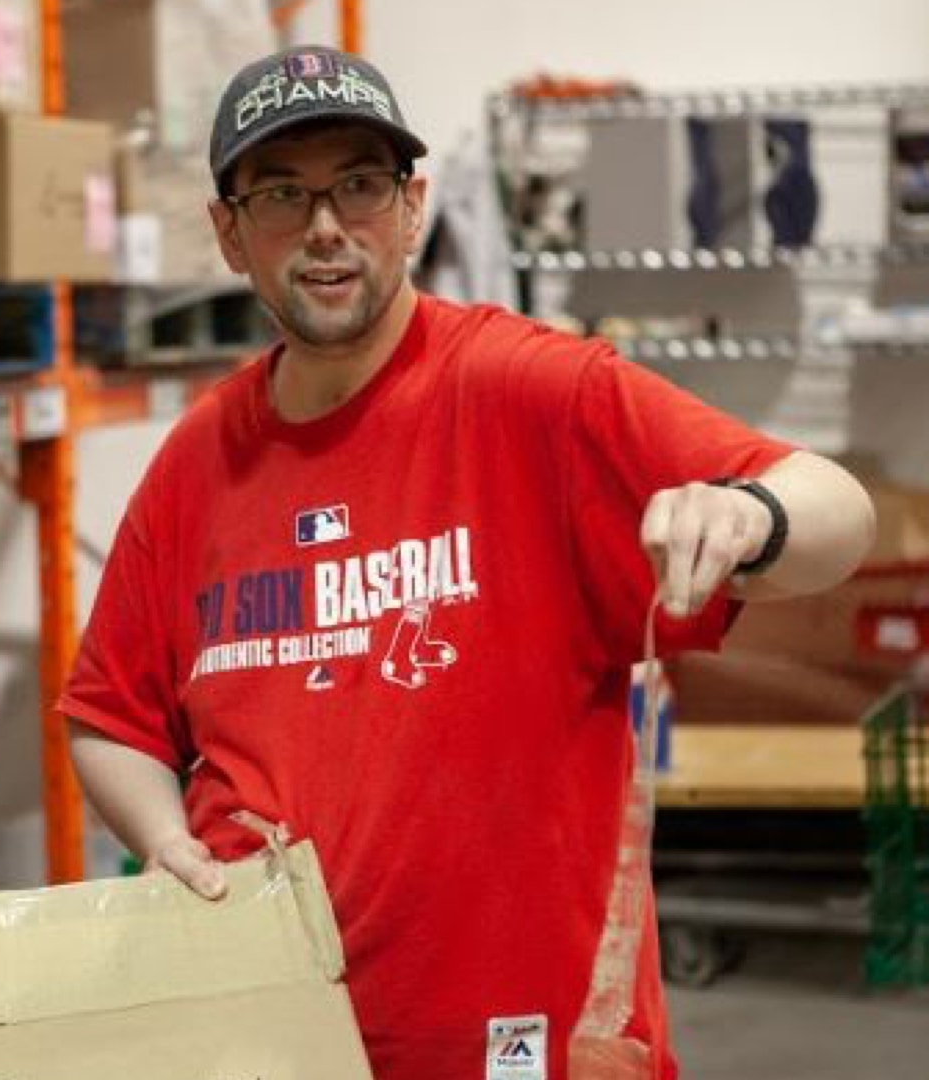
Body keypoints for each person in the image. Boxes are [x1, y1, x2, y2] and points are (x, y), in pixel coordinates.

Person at [60, 46, 876, 1080]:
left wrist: (749, 512)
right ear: (229, 232)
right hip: (273, 1043)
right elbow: (110, 715)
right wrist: (167, 842)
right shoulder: (198, 460)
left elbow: (836, 512)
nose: (324, 226)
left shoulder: (534, 394)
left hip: (519, 1049)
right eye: (281, 193)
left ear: (412, 208)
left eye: (359, 184)